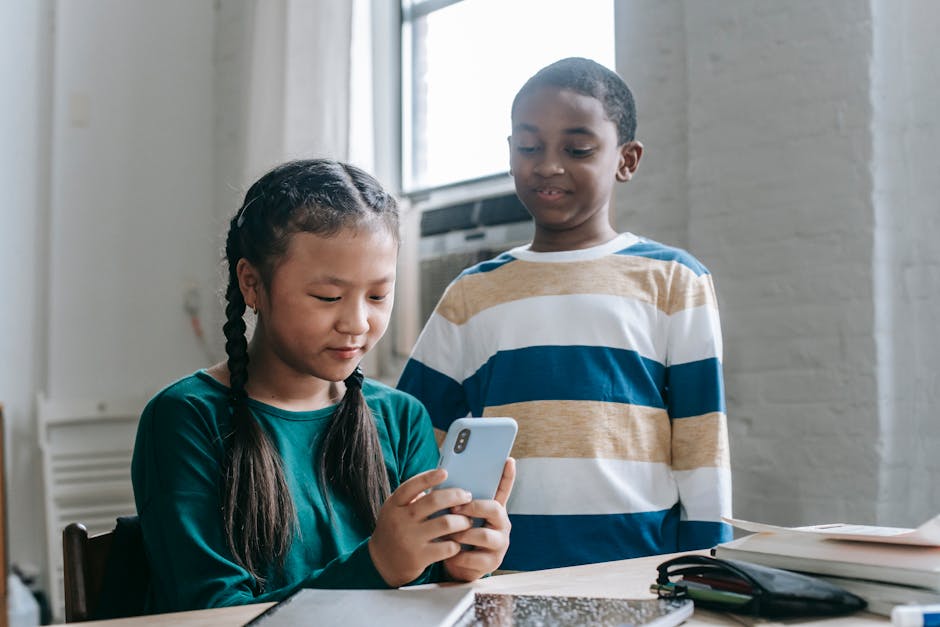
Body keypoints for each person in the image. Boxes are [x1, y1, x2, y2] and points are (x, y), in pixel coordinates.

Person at [131, 159, 515, 613]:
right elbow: (211, 611)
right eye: (327, 297)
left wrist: (461, 564)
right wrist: (377, 565)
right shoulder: (186, 418)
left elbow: (424, 589)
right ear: (252, 284)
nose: (356, 323)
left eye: (377, 296)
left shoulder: (400, 418)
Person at [397, 57, 732, 571]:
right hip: (498, 573)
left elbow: (700, 446)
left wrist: (708, 567)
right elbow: (413, 437)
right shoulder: (471, 293)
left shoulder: (675, 281)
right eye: (529, 147)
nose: (548, 164)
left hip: (638, 572)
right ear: (510, 154)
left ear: (627, 159)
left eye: (577, 149)